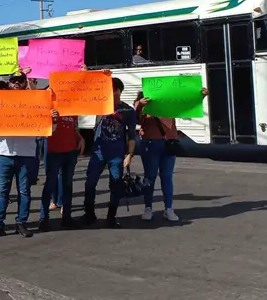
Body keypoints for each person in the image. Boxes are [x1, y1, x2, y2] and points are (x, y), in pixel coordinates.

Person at [0, 71, 40, 239]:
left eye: (21, 80)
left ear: (25, 83)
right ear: (9, 83)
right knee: (1, 192)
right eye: (13, 80)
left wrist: (53, 121)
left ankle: (21, 223)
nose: (17, 83)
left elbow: (46, 130)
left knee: (24, 192)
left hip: (26, 154)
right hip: (4, 153)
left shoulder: (35, 102)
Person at [134, 87, 208, 223]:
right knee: (149, 177)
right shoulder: (142, 102)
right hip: (150, 144)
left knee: (167, 177)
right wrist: (140, 105)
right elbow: (136, 120)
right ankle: (148, 208)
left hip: (169, 144)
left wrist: (201, 97)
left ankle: (168, 209)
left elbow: (187, 107)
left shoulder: (170, 103)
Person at [82, 76, 137, 228]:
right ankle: (89, 214)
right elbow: (84, 94)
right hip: (98, 152)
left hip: (117, 155)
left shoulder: (127, 110)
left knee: (116, 185)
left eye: (114, 90)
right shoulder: (100, 105)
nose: (111, 92)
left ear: (119, 91)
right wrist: (86, 74)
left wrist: (129, 155)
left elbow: (132, 135)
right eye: (108, 89)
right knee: (90, 183)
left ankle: (111, 217)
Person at [39, 108, 84, 230]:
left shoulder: (73, 108)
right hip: (54, 152)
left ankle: (67, 217)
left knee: (68, 184)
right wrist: (53, 120)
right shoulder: (50, 106)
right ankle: (43, 218)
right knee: (50, 184)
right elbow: (42, 129)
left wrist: (80, 138)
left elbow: (74, 128)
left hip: (70, 151)